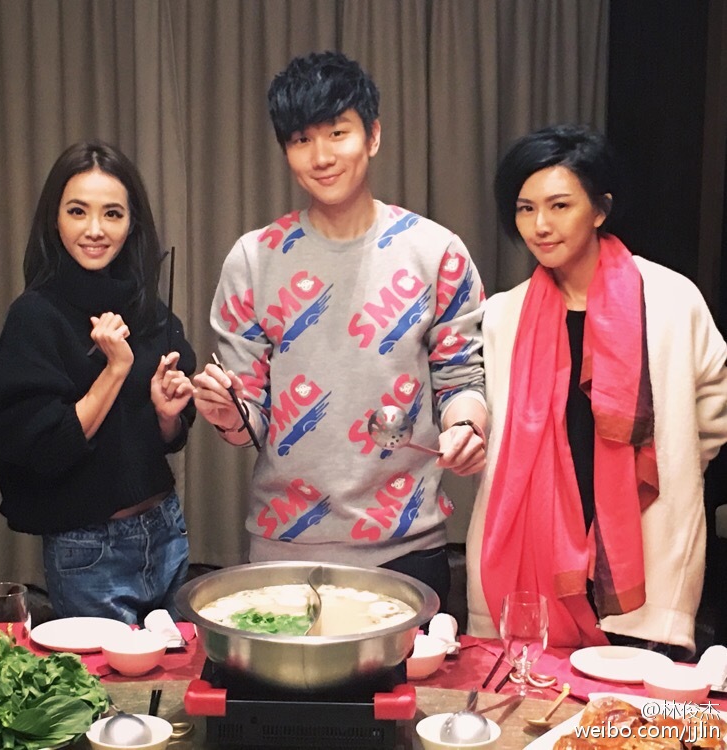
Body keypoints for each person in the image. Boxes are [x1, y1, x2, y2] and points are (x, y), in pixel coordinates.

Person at [192, 51, 487, 609]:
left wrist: (467, 427)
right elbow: (247, 420)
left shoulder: (436, 252)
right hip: (284, 548)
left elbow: (462, 378)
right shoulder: (254, 258)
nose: (322, 156)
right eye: (302, 140)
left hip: (408, 547)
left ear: (372, 136)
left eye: (337, 133)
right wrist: (227, 412)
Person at [466, 124, 727, 657]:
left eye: (559, 205)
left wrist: (667, 465)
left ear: (601, 209)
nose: (540, 225)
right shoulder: (502, 315)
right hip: (532, 547)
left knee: (635, 705)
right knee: (530, 699)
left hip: (644, 536)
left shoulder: (671, 300)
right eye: (525, 209)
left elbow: (712, 410)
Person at [0, 141, 197, 625]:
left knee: (179, 670)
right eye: (78, 211)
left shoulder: (150, 310)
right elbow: (45, 447)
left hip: (166, 530)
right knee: (104, 677)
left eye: (112, 214)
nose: (95, 229)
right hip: (89, 549)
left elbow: (169, 436)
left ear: (131, 223)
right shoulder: (36, 315)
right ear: (55, 219)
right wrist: (114, 370)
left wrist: (167, 415)